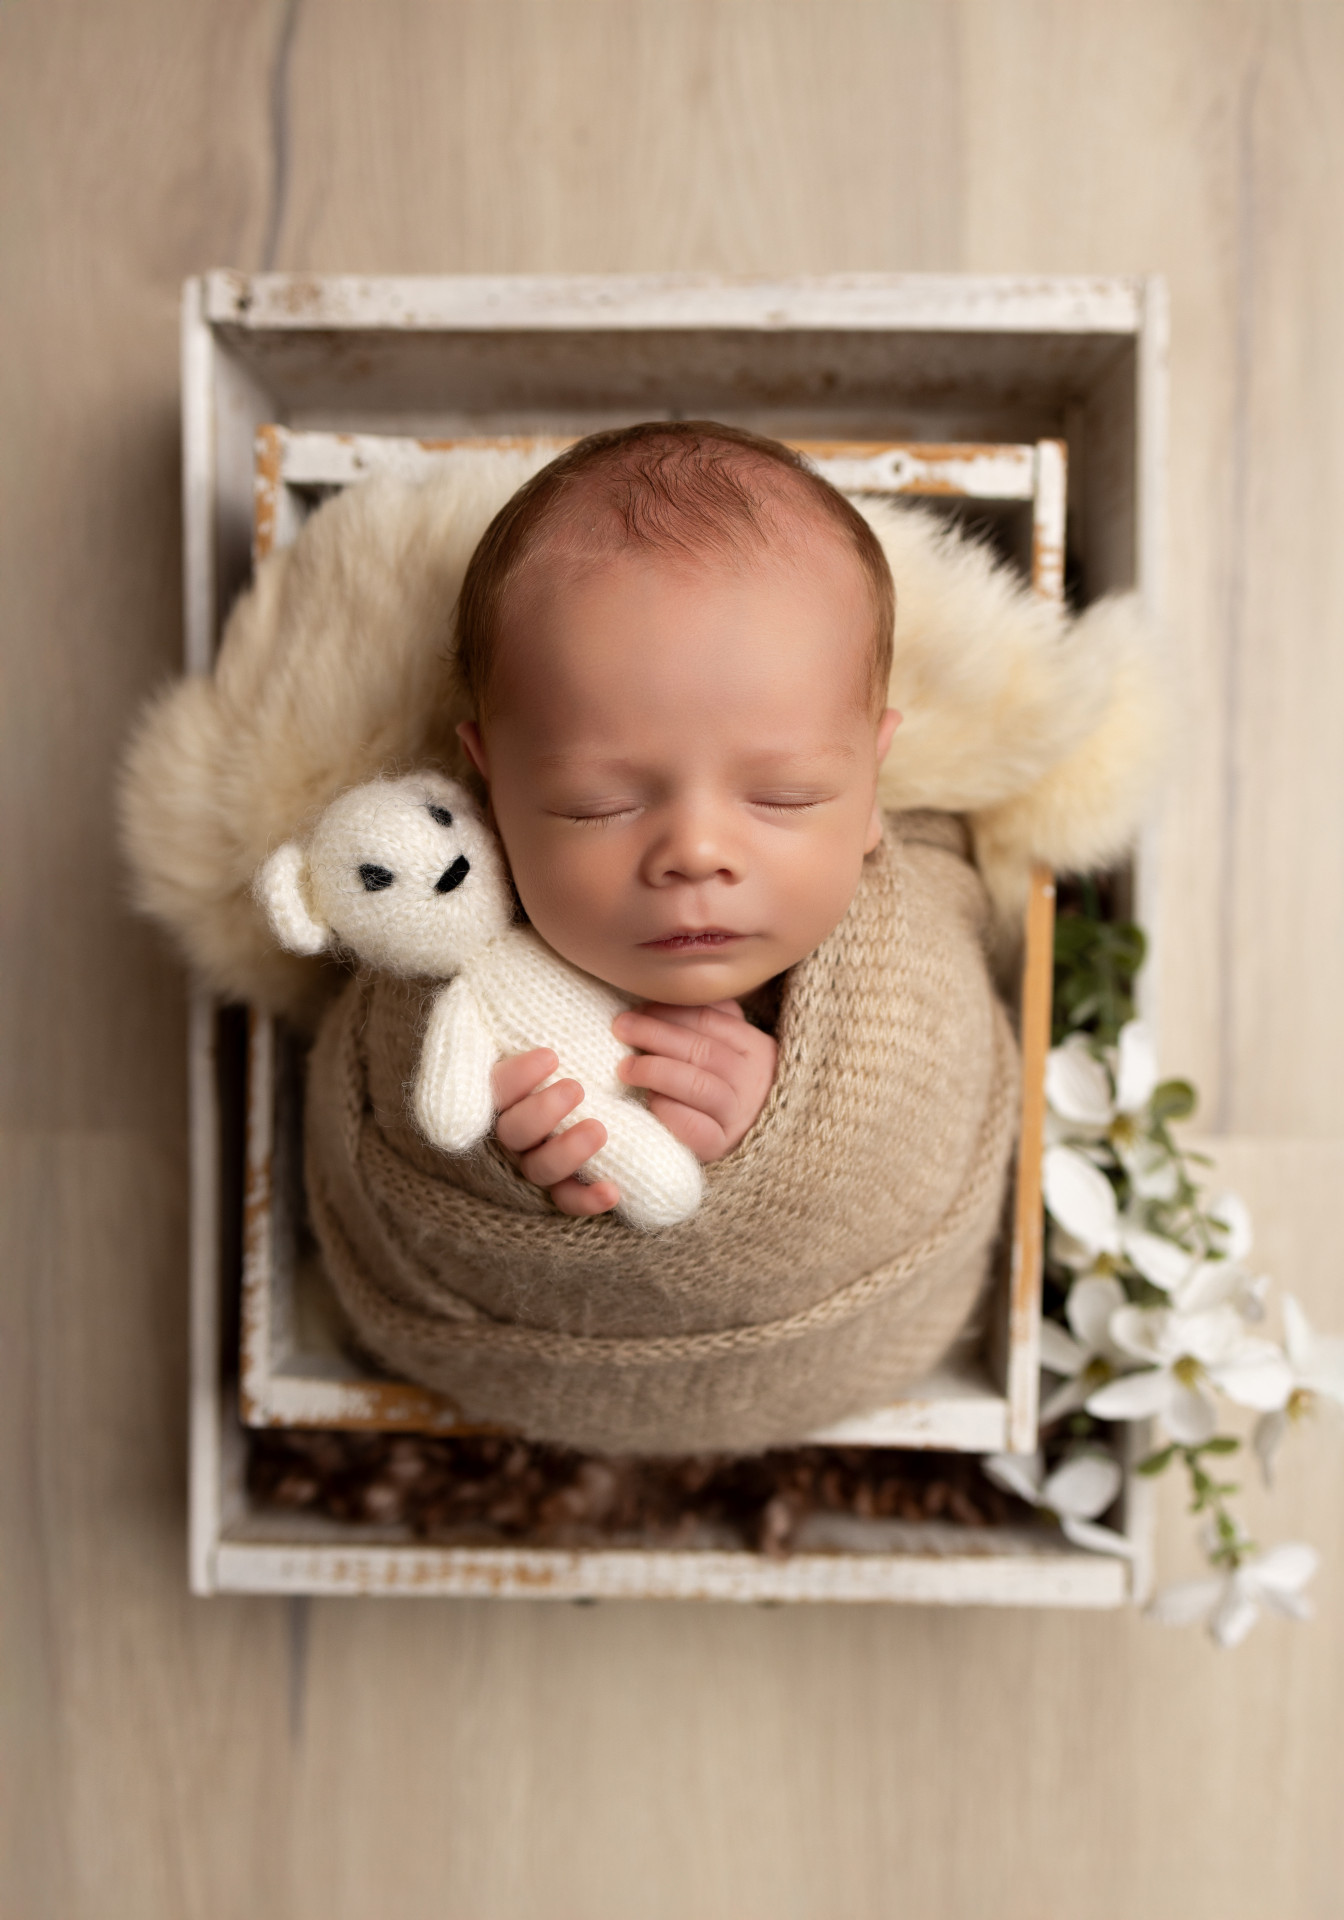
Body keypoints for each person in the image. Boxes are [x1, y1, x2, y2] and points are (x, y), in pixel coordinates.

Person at [450, 420, 902, 1217]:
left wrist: (790, 1126)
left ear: (872, 785)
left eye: (785, 796)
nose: (695, 854)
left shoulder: (902, 978)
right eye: (599, 805)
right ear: (490, 792)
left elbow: (944, 1120)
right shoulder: (450, 956)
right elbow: (373, 1120)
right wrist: (492, 1160)